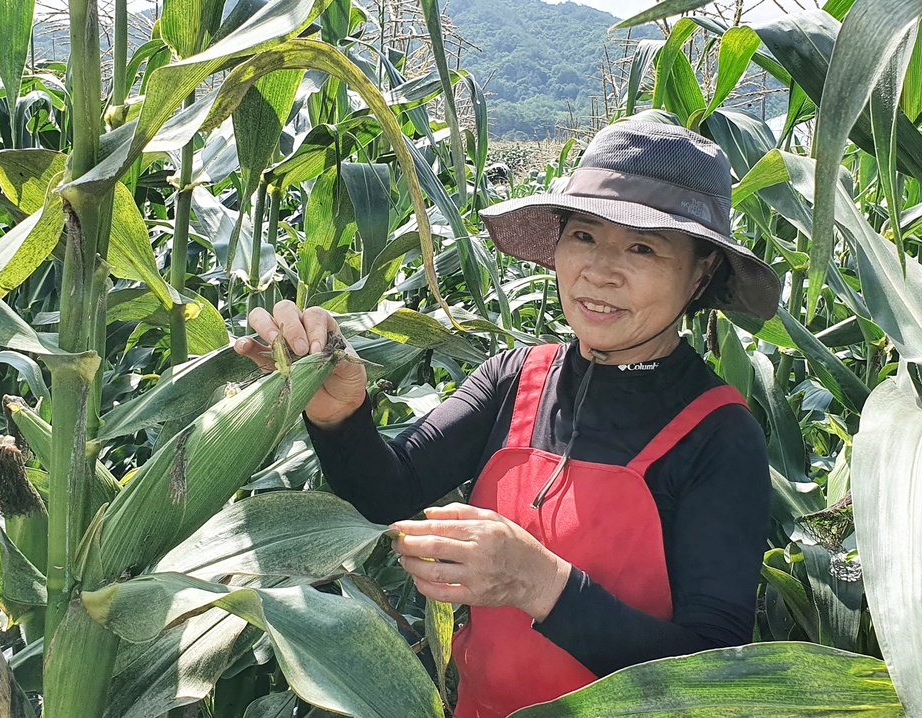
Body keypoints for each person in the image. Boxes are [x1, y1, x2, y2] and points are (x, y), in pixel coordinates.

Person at [234, 121, 780, 717]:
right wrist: (340, 414)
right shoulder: (515, 379)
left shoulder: (720, 436)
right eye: (584, 236)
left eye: (642, 248)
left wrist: (539, 583)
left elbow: (715, 674)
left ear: (700, 273)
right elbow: (386, 495)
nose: (599, 272)